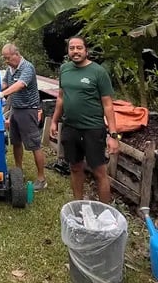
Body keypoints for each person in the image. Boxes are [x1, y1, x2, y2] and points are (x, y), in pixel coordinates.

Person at [49, 36, 119, 202]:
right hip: (70, 127)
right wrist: (53, 120)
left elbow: (108, 105)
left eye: (79, 48)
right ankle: (78, 205)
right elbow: (61, 97)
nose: (75, 51)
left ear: (86, 50)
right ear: (68, 51)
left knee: (99, 172)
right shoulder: (65, 69)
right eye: (72, 48)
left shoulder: (98, 72)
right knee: (74, 167)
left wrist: (113, 135)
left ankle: (105, 213)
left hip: (93, 129)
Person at [0, 43, 47, 191]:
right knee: (16, 142)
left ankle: (42, 178)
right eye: (4, 58)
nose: (6, 61)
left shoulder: (27, 67)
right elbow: (5, 83)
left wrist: (2, 94)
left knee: (34, 144)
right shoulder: (10, 68)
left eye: (8, 58)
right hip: (15, 110)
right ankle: (18, 172)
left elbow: (20, 85)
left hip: (28, 110)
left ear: (16, 54)